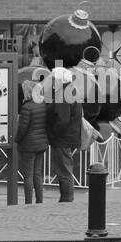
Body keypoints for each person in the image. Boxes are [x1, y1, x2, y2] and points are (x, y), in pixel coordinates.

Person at [45, 68, 85, 202]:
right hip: (67, 137)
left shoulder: (63, 94)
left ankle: (67, 199)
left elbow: (62, 120)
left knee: (64, 171)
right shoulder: (71, 91)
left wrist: (52, 134)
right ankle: (66, 198)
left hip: (62, 139)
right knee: (64, 170)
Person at [16, 77, 50, 204]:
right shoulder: (42, 105)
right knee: (37, 174)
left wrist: (17, 139)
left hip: (28, 145)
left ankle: (28, 202)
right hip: (41, 144)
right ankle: (39, 201)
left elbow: (22, 129)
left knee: (28, 176)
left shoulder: (26, 107)